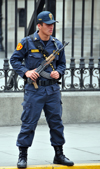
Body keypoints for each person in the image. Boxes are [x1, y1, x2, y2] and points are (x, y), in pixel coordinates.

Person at [10, 11, 74, 168]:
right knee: (29, 123)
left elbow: (62, 64)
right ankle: (22, 155)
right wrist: (26, 72)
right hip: (34, 90)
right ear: (39, 26)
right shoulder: (27, 42)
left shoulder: (57, 44)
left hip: (52, 90)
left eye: (52, 24)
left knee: (56, 123)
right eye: (48, 24)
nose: (51, 27)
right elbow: (15, 59)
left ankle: (59, 154)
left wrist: (58, 73)